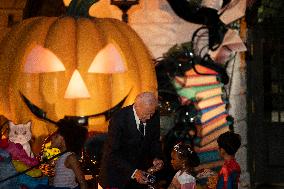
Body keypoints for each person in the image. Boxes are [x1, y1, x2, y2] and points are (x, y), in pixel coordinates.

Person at [99, 92, 164, 189]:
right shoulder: (118, 119)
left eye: (152, 113)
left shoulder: (154, 115)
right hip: (117, 176)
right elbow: (111, 153)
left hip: (140, 177)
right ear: (136, 107)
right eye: (146, 113)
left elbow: (155, 141)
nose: (149, 117)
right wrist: (133, 172)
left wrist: (156, 157)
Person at [36, 119, 88, 189]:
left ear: (63, 140)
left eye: (56, 136)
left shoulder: (70, 157)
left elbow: (82, 182)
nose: (52, 137)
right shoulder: (60, 157)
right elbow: (57, 180)